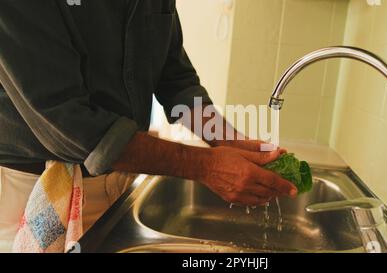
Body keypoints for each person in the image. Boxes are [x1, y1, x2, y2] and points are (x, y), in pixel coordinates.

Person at [0, 0, 297, 252]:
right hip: (29, 191)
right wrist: (208, 167)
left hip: (119, 180)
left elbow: (174, 78)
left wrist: (228, 140)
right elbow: (69, 120)